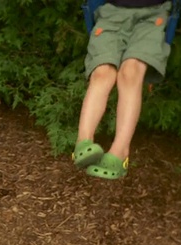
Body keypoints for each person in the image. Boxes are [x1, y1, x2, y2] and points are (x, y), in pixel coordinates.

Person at [72, 0, 172, 179]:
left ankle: (120, 151)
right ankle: (83, 142)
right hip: (111, 12)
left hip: (152, 15)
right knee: (103, 73)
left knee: (130, 72)